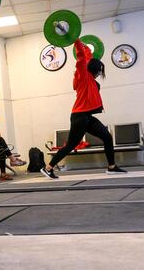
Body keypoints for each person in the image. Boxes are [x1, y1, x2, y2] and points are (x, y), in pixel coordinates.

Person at [41, 39, 126, 179]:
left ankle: (112, 167)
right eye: (100, 71)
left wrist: (86, 46)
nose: (100, 73)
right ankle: (48, 168)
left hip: (87, 117)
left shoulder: (90, 78)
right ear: (95, 70)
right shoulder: (84, 76)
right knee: (70, 145)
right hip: (79, 117)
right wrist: (75, 40)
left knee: (107, 137)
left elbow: (87, 56)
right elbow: (81, 57)